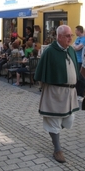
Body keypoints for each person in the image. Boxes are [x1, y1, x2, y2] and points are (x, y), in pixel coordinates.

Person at [34, 25, 79, 163]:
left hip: (70, 93)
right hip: (55, 93)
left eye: (71, 35)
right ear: (59, 37)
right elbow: (41, 72)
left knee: (69, 119)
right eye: (67, 36)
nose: (70, 38)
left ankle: (55, 133)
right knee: (54, 120)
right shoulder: (49, 52)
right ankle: (57, 149)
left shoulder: (70, 50)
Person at [72, 25, 85, 100]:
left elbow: (78, 48)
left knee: (81, 77)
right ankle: (77, 93)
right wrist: (75, 46)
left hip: (81, 60)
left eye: (76, 30)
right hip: (76, 60)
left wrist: (75, 46)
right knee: (77, 77)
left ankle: (81, 94)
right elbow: (72, 46)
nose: (75, 32)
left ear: (79, 30)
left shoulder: (84, 39)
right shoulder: (78, 38)